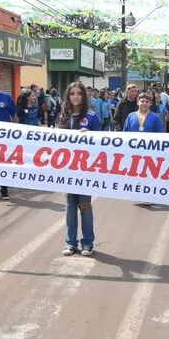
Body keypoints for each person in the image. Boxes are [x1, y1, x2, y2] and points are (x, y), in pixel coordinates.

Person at [57, 81, 102, 256]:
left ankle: (88, 243)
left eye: (79, 93)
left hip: (85, 170)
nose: (75, 96)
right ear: (68, 96)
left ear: (84, 96)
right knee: (69, 207)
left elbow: (101, 143)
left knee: (84, 205)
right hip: (67, 168)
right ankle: (71, 243)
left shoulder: (92, 117)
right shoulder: (63, 116)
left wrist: (89, 136)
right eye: (72, 93)